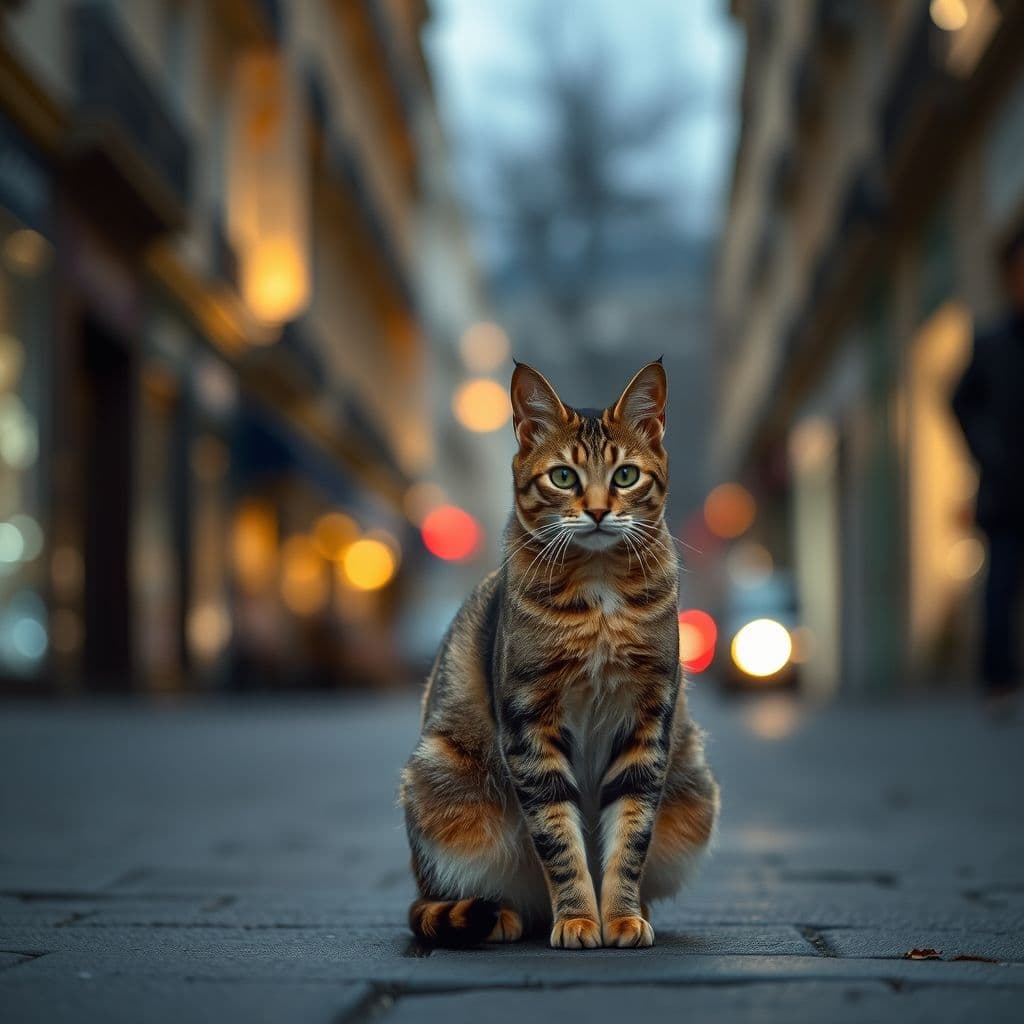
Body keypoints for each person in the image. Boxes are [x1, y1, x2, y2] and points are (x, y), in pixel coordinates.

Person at [952, 228, 1024, 706]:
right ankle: (998, 683)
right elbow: (960, 402)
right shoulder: (993, 342)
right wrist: (989, 453)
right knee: (1001, 585)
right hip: (1007, 489)